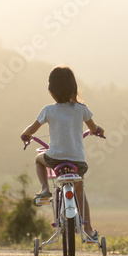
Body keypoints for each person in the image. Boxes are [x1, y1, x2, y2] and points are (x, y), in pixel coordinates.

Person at [20, 66, 105, 241]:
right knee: (80, 190)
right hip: (78, 161)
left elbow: (32, 128)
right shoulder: (82, 109)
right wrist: (98, 131)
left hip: (54, 159)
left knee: (38, 159)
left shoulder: (48, 110)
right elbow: (93, 128)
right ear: (74, 88)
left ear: (51, 90)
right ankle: (88, 230)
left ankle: (44, 189)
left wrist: (25, 135)